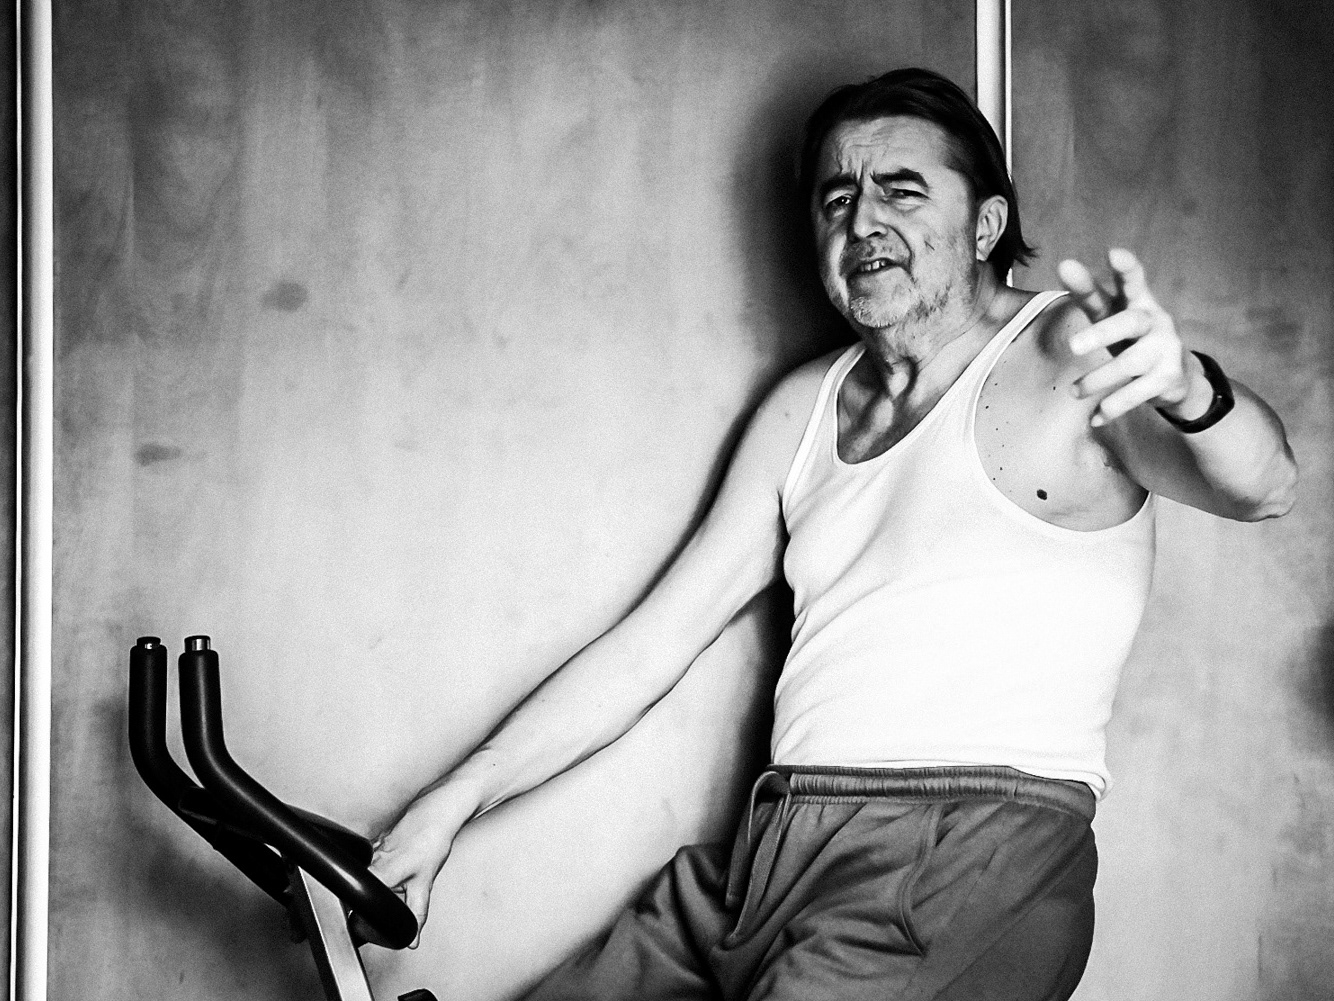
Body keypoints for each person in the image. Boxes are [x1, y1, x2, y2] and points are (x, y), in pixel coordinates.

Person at [369, 68, 1297, 1000]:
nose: (863, 223)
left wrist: (1193, 392)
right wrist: (453, 801)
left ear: (985, 226)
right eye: (838, 199)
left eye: (903, 190)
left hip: (966, 853)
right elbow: (653, 644)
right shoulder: (802, 407)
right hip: (772, 852)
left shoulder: (1067, 354)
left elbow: (1265, 486)